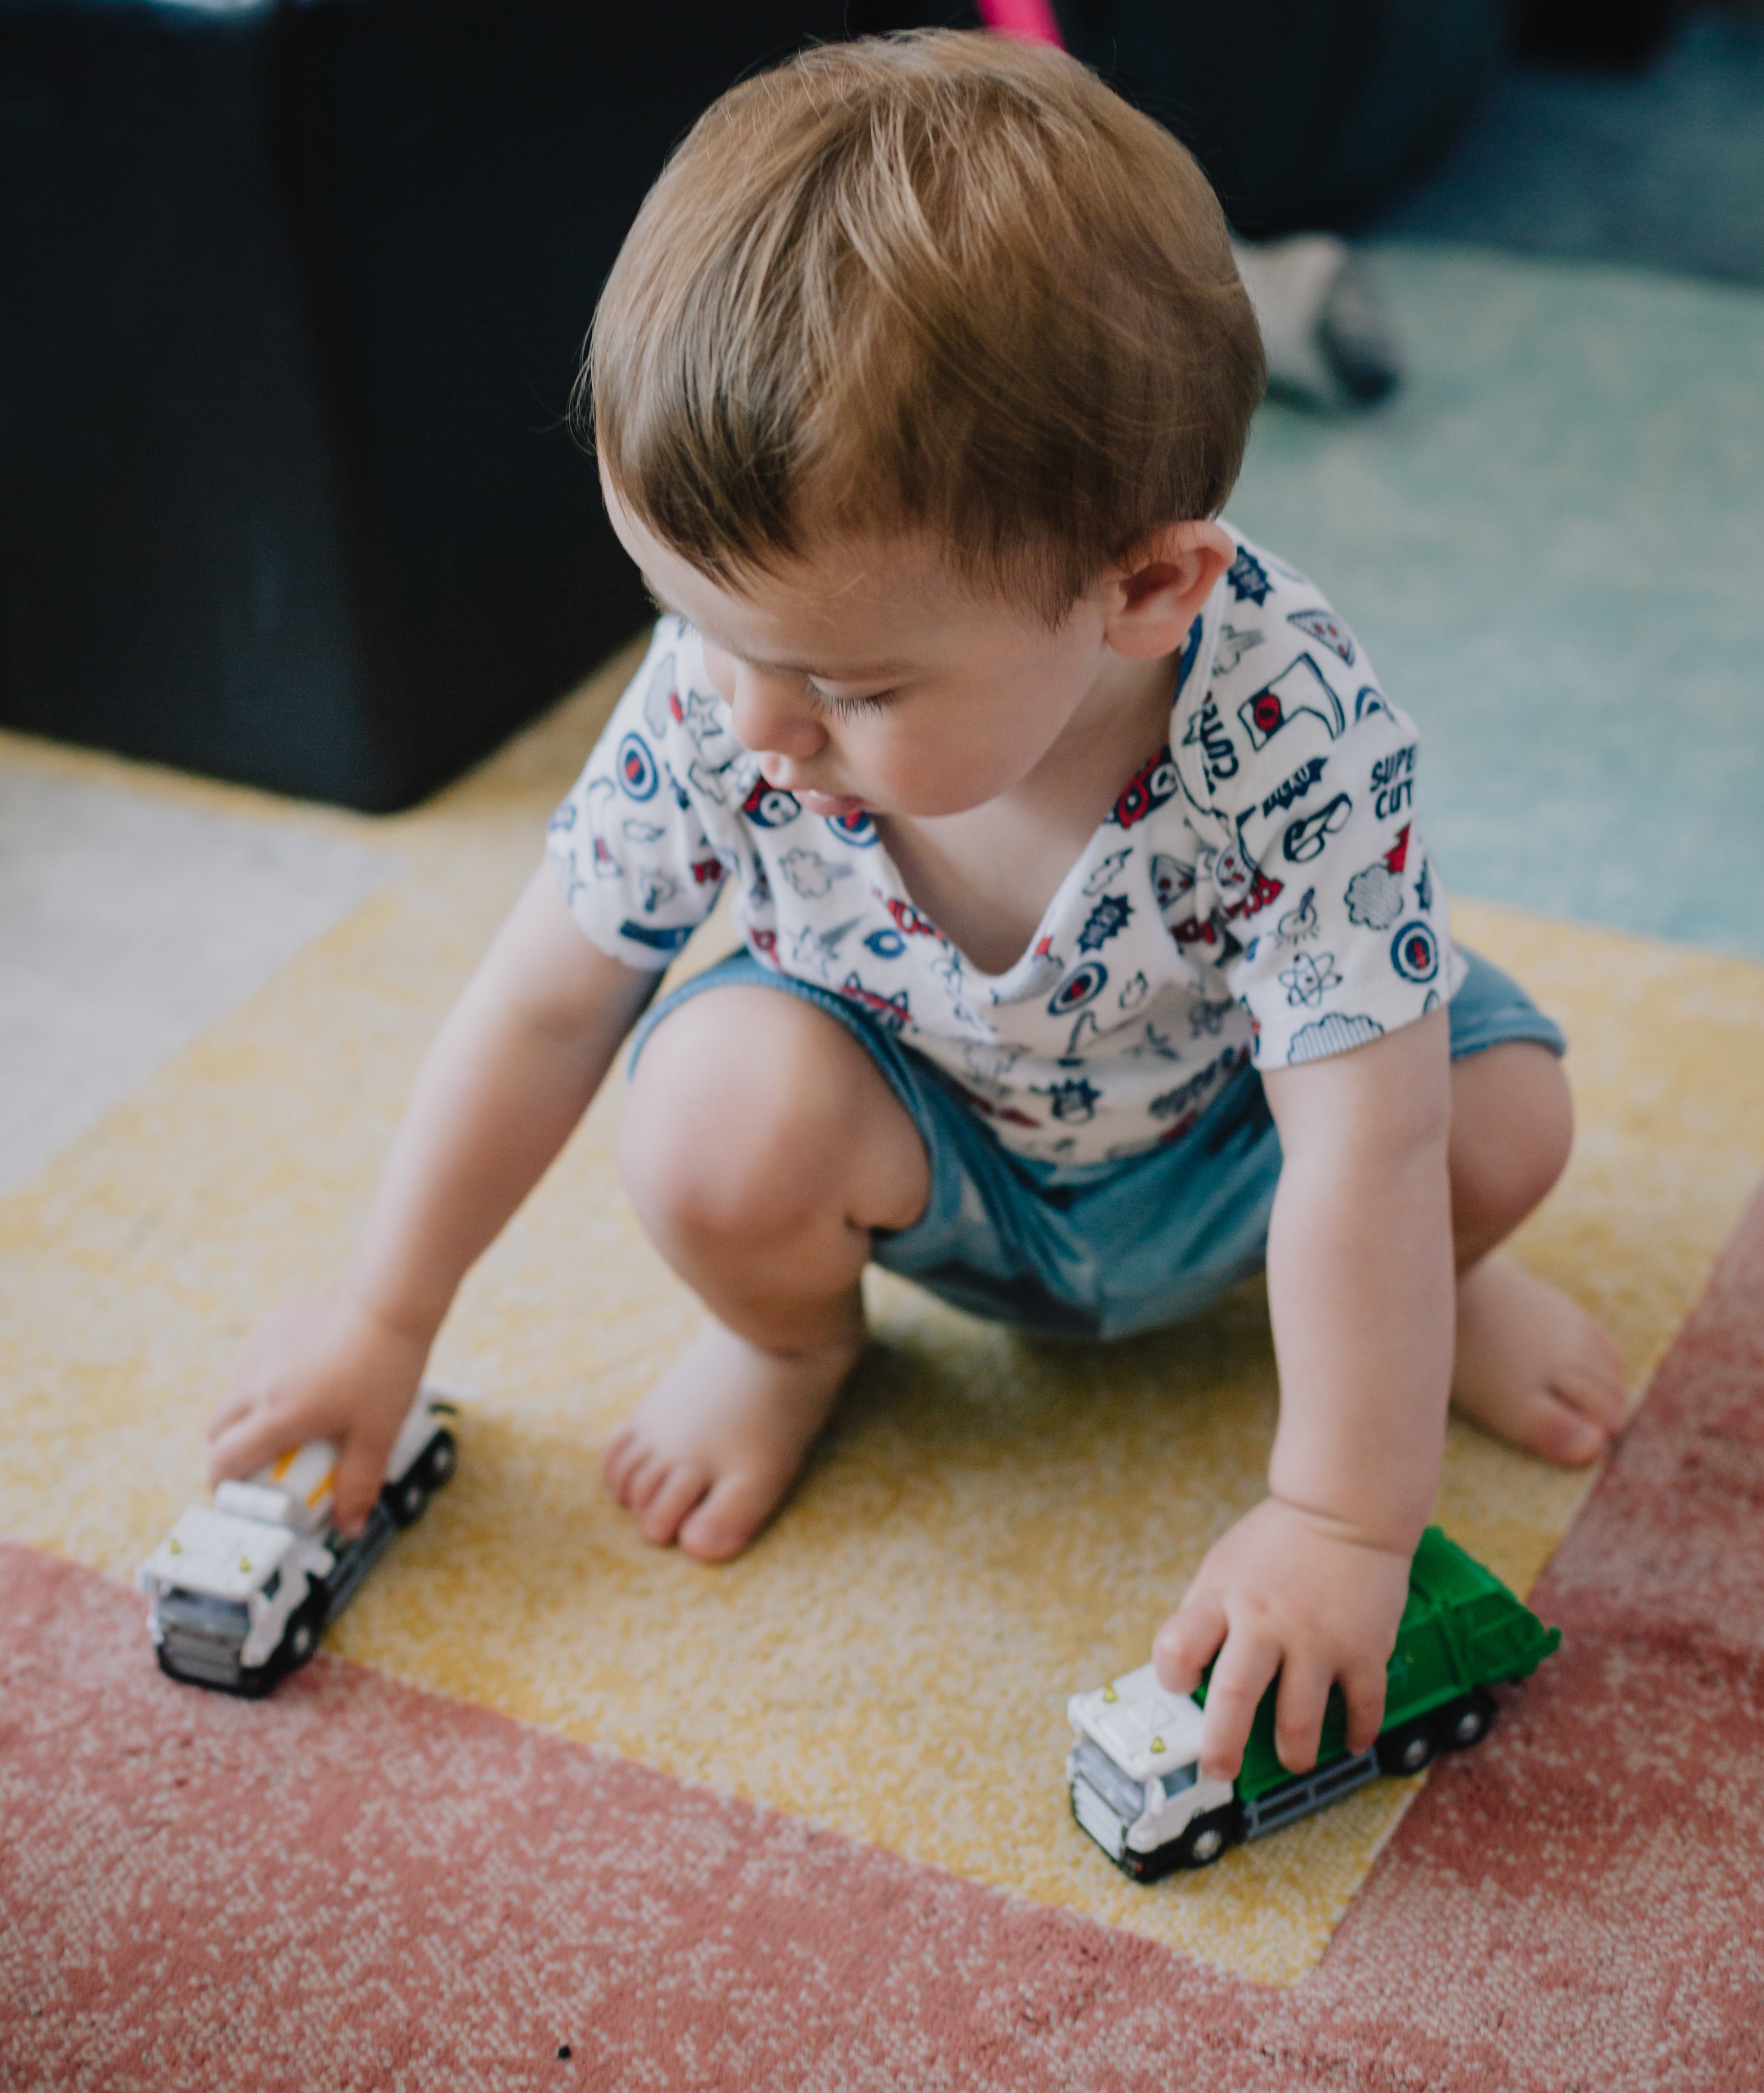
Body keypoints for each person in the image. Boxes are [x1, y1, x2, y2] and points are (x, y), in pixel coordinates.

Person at [206, 31, 1623, 1786]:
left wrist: (1342, 1519)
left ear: (1144, 587)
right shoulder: (738, 689)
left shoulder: (1292, 725)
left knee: (1484, 1121)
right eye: (702, 630)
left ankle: (1426, 1308)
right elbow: (546, 1001)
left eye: (848, 683)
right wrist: (379, 1316)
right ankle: (787, 1340)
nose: (751, 723)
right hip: (930, 1154)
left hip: (1241, 1147)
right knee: (709, 1115)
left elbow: (1360, 1145)